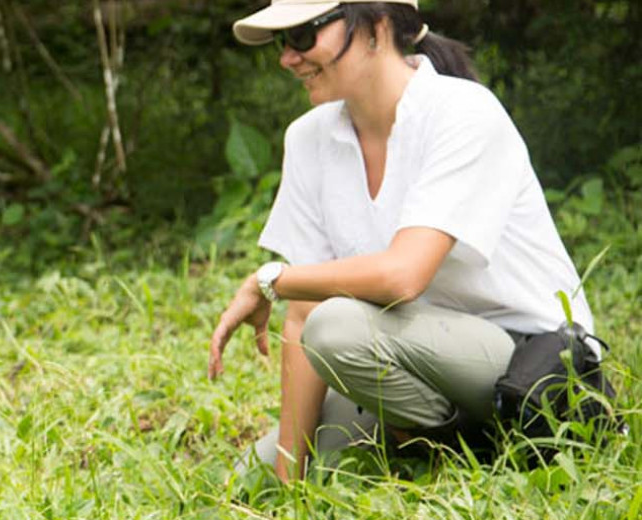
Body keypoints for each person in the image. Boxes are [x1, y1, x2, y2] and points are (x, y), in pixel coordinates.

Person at [208, 0, 596, 482]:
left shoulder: (462, 112)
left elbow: (402, 275)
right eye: (282, 42)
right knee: (252, 473)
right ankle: (425, 440)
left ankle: (459, 448)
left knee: (337, 329)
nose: (289, 57)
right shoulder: (308, 138)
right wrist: (291, 480)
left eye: (304, 35)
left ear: (377, 27)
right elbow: (302, 313)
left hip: (530, 362)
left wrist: (271, 280)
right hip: (412, 356)